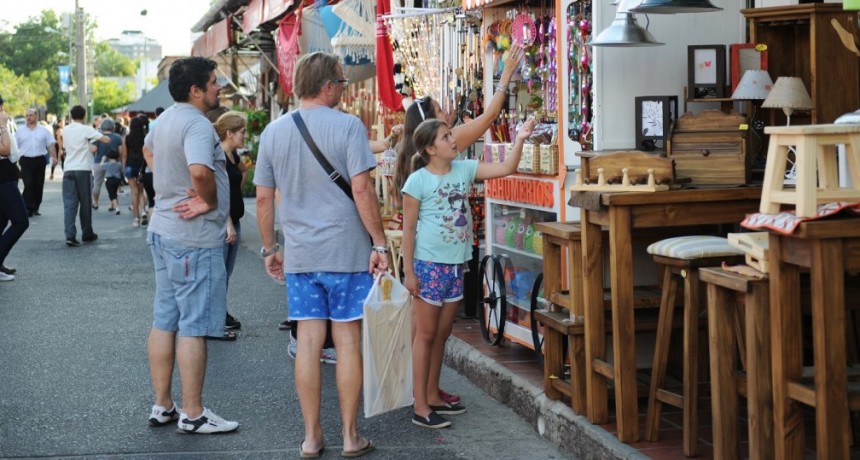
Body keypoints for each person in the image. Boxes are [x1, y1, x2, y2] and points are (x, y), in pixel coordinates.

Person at [255, 51, 387, 458]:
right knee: (347, 342)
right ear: (328, 86)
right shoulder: (348, 127)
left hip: (301, 255)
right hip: (346, 253)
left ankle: (312, 437)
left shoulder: (273, 132)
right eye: (342, 83)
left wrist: (270, 249)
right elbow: (362, 189)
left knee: (308, 343)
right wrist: (379, 242)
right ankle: (350, 436)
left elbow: (264, 198)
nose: (343, 90)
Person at [392, 44, 525, 408]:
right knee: (429, 333)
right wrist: (505, 77)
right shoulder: (443, 148)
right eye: (441, 113)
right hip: (431, 260)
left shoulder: (426, 155)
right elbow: (489, 117)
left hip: (446, 257)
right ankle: (423, 398)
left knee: (432, 331)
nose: (448, 116)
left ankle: (426, 393)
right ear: (430, 134)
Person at [401, 116, 536, 429]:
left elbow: (506, 168)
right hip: (429, 266)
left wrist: (520, 139)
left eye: (451, 135)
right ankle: (419, 405)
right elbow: (408, 230)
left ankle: (432, 394)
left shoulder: (464, 169)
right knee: (426, 335)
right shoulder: (417, 181)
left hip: (456, 264)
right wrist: (409, 272)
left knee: (443, 333)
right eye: (446, 137)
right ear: (430, 149)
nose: (453, 140)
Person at [142, 56, 238, 434]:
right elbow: (199, 170)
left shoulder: (165, 118)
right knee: (193, 326)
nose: (219, 87)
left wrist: (167, 182)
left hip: (164, 231)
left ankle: (163, 404)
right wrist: (209, 201)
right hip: (193, 238)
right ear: (196, 90)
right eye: (214, 82)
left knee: (165, 320)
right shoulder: (197, 124)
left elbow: (149, 151)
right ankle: (193, 414)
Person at [212, 109, 248, 339]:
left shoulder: (233, 155)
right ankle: (215, 319)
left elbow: (243, 172)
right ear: (229, 133)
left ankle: (220, 313)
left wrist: (237, 192)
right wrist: (227, 223)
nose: (244, 136)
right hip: (224, 223)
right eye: (242, 132)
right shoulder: (219, 156)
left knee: (225, 273)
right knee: (218, 274)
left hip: (235, 219)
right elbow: (216, 191)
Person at [61, 105, 110, 247]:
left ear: (71, 116)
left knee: (69, 203)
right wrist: (95, 138)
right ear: (84, 116)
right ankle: (87, 233)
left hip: (68, 168)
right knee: (85, 203)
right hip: (83, 169)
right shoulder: (86, 129)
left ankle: (70, 235)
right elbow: (106, 140)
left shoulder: (65, 130)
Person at [0, 93, 27, 281]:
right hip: (3, 180)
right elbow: (5, 150)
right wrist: (2, 126)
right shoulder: (1, 125)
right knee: (21, 221)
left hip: (8, 176)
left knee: (2, 222)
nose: (3, 111)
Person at [15, 107, 57, 217]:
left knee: (38, 185)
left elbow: (50, 144)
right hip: (25, 160)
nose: (28, 117)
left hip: (39, 160)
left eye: (30, 115)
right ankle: (27, 208)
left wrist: (54, 157)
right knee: (28, 183)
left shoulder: (44, 130)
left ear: (36, 116)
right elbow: (15, 146)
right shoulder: (20, 131)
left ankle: (36, 207)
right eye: (27, 115)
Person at [92, 118, 123, 210]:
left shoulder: (98, 137)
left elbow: (93, 149)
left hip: (99, 162)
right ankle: (112, 204)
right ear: (112, 126)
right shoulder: (117, 137)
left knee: (97, 183)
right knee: (113, 184)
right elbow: (121, 152)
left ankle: (95, 202)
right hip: (114, 163)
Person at [123, 116, 148, 227]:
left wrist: (124, 168)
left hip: (130, 165)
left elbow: (124, 155)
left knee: (134, 192)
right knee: (141, 191)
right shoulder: (145, 138)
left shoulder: (126, 138)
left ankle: (136, 219)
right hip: (141, 166)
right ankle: (143, 211)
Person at [103, 150, 123, 214]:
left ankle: (117, 208)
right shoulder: (119, 164)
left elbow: (101, 165)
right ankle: (115, 205)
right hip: (117, 180)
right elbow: (121, 171)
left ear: (109, 157)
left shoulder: (107, 164)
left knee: (111, 194)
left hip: (109, 179)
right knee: (114, 192)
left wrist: (102, 160)